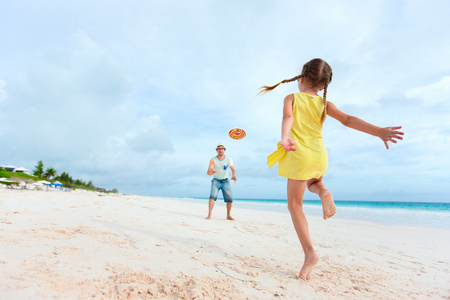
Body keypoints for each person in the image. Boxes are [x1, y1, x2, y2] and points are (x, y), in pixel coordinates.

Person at [260, 58, 404, 280]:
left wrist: (285, 137)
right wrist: (378, 132)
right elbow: (347, 119)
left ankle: (310, 253)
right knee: (313, 183)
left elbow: (288, 116)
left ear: (302, 79)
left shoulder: (291, 97)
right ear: (323, 86)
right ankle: (323, 191)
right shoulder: (325, 104)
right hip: (319, 156)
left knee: (295, 206)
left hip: (299, 154)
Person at [205, 143, 237, 220]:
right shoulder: (213, 159)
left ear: (224, 150)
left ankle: (228, 215)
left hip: (225, 181)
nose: (221, 150)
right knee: (212, 196)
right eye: (219, 149)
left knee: (229, 199)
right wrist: (210, 171)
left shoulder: (228, 159)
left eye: (222, 149)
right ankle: (209, 215)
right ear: (217, 150)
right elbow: (209, 171)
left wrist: (234, 175)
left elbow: (232, 168)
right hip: (216, 181)